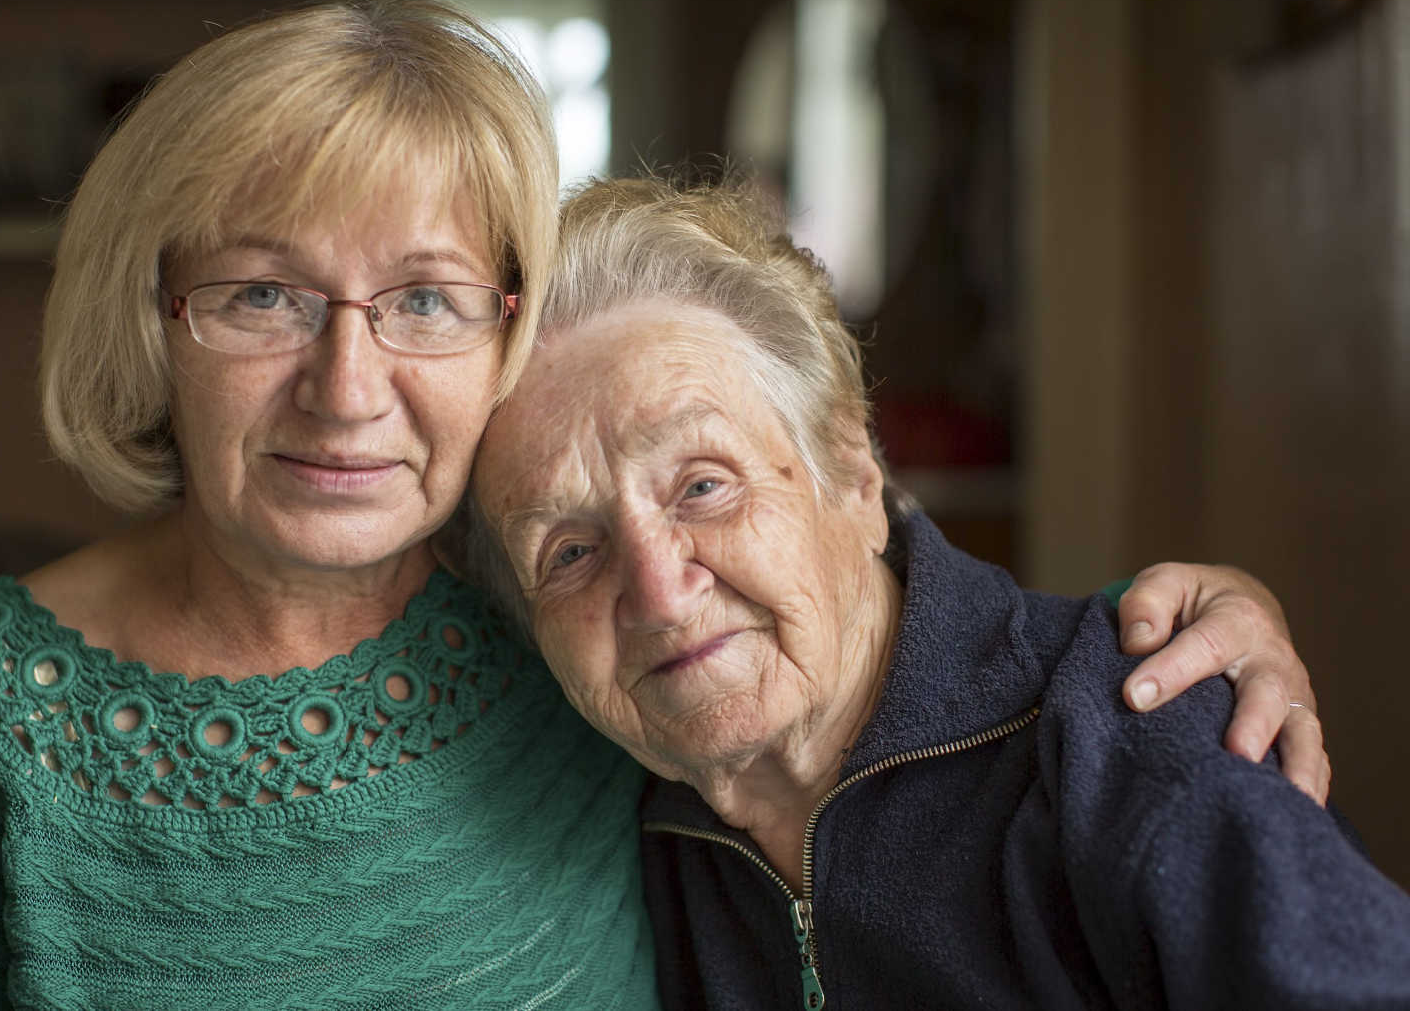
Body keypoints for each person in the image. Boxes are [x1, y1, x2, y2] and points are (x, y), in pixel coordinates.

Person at [0, 0, 1322, 1010]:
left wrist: (1182, 658)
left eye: (423, 299)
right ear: (153, 321)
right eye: (261, 293)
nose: (347, 388)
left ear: (500, 346)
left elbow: (861, 666)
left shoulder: (562, 636)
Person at [466, 176, 1410, 1009]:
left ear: (855, 476)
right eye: (572, 553)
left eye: (704, 485)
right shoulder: (595, 831)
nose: (662, 595)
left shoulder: (1134, 738)